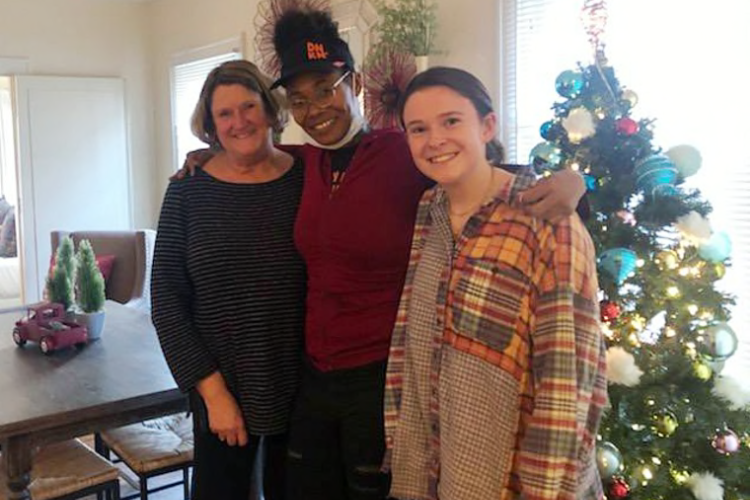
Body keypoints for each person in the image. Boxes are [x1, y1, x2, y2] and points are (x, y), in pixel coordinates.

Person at [179, 9, 587, 500]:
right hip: (311, 380)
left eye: (326, 89)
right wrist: (204, 156)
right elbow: (248, 158)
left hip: (379, 379)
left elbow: (491, 174)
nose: (314, 109)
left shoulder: (406, 153)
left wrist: (575, 182)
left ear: (352, 84)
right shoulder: (303, 163)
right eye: (300, 99)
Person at [383, 66, 608, 500]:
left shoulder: (548, 222)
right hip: (432, 467)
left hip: (510, 479)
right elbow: (415, 344)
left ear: (487, 125)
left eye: (451, 121)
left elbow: (568, 384)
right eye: (418, 128)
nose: (435, 140)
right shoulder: (429, 210)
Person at [151, 60, 306, 500]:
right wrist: (213, 394)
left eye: (248, 106)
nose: (239, 122)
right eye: (225, 114)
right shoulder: (186, 192)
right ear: (210, 124)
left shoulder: (306, 178)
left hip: (302, 389)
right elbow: (166, 300)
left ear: (270, 109)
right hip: (222, 389)